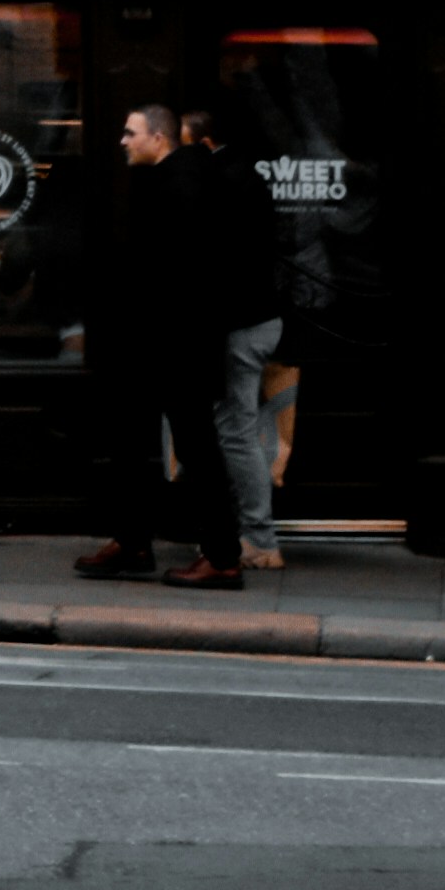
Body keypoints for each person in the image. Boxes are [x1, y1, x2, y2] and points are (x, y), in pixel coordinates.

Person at [73, 100, 250, 587]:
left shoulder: (184, 185)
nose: (123, 141)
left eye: (131, 133)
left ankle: (222, 556)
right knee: (133, 441)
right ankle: (132, 540)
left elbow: (181, 276)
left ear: (160, 138)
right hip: (160, 344)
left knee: (196, 447)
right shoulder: (174, 179)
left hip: (175, 347)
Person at [178, 99, 288, 571]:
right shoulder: (245, 176)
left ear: (203, 144)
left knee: (236, 429)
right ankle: (246, 532)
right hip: (257, 317)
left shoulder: (218, 182)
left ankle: (259, 539)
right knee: (236, 426)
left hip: (239, 323)